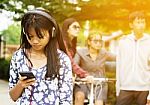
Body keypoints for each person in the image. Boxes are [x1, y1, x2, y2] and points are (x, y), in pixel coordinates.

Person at [8, 8, 73, 105]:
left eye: (40, 36)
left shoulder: (62, 60)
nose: (35, 41)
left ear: (52, 32)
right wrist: (20, 85)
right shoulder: (18, 57)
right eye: (30, 36)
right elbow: (13, 97)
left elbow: (66, 99)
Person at [116, 11, 150, 105]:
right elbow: (119, 66)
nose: (141, 25)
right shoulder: (123, 42)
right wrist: (118, 89)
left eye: (143, 22)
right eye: (138, 22)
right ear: (131, 25)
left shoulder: (149, 42)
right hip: (125, 88)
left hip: (144, 89)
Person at [73, 30, 116, 105]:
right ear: (89, 42)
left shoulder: (104, 53)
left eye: (100, 41)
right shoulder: (80, 52)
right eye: (96, 41)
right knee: (79, 97)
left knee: (99, 103)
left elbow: (118, 58)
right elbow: (74, 65)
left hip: (99, 83)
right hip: (83, 82)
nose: (98, 43)